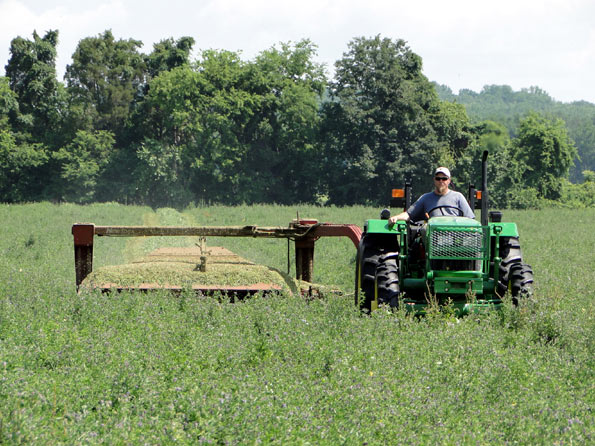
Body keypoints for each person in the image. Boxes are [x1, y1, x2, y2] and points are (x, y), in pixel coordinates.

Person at [388, 167, 475, 224]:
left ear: (449, 181)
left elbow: (470, 219)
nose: (441, 181)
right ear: (434, 180)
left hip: (455, 234)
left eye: (444, 178)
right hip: (433, 233)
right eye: (438, 178)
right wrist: (396, 217)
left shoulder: (458, 197)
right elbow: (409, 214)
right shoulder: (426, 198)